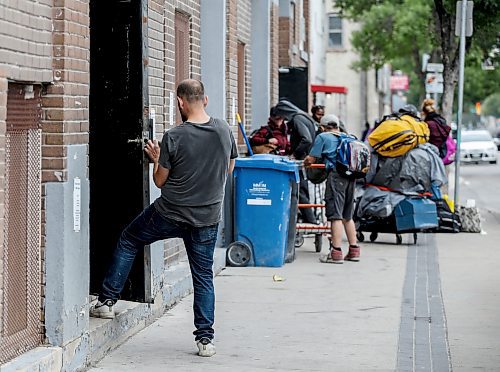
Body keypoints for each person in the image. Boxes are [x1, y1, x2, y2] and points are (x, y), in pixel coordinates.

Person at [89, 79, 238, 357]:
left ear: (180, 102)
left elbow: (159, 181)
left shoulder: (174, 136)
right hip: (207, 218)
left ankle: (107, 302)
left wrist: (157, 158)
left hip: (169, 214)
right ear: (204, 100)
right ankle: (205, 340)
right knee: (203, 277)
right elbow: (229, 168)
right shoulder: (223, 130)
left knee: (130, 239)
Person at [303, 114, 360, 264]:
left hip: (336, 177)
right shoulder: (348, 137)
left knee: (335, 215)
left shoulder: (323, 137)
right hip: (351, 177)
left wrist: (305, 163)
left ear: (322, 127)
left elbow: (311, 159)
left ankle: (336, 252)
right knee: (347, 215)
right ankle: (354, 251)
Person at [274, 99, 317, 224]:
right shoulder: (304, 117)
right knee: (302, 191)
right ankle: (310, 219)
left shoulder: (298, 119)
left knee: (300, 192)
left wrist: (294, 154)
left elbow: (306, 139)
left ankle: (311, 221)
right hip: (305, 158)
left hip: (301, 159)